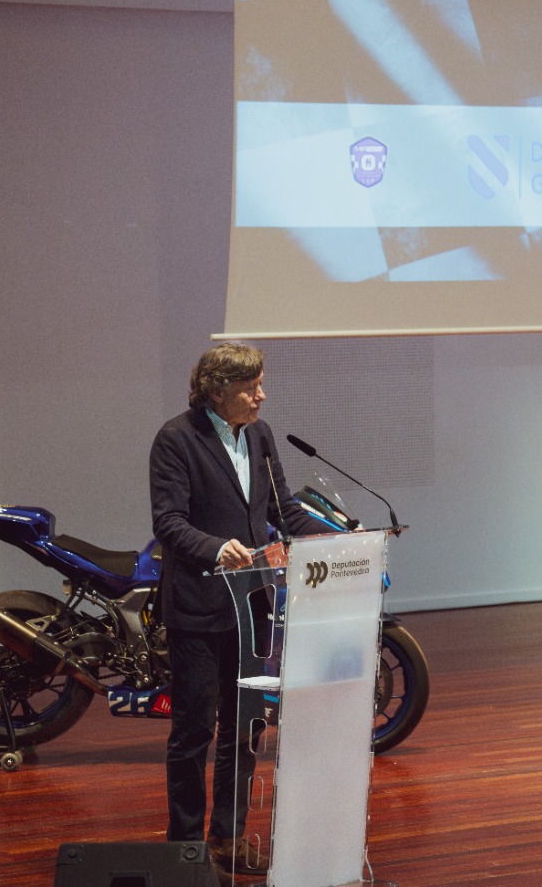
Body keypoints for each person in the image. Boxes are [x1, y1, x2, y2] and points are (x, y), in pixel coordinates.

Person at [149, 342, 323, 874]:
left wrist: (339, 539)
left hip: (251, 608)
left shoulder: (260, 435)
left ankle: (227, 839)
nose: (261, 396)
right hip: (199, 607)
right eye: (251, 389)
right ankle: (184, 849)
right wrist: (214, 547)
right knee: (194, 732)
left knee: (245, 729)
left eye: (260, 385)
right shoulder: (177, 439)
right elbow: (169, 522)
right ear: (217, 391)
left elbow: (282, 509)